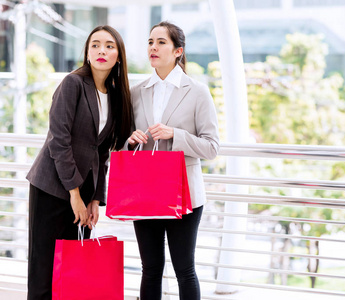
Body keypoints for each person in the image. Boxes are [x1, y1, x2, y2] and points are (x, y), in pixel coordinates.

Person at [26, 25, 133, 300]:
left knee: (71, 269)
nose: (101, 50)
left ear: (118, 56)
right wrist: (74, 193)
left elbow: (102, 152)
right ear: (87, 52)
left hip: (84, 192)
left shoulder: (115, 96)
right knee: (45, 268)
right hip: (52, 187)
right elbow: (58, 141)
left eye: (109, 46)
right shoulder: (73, 84)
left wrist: (96, 199)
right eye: (95, 44)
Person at [127, 21, 219, 300]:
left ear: (178, 51)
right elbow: (121, 142)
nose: (153, 47)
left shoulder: (197, 91)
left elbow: (212, 147)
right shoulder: (137, 91)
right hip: (144, 191)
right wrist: (130, 140)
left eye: (161, 42)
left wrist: (174, 135)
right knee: (150, 269)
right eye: (150, 42)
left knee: (184, 269)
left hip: (185, 194)